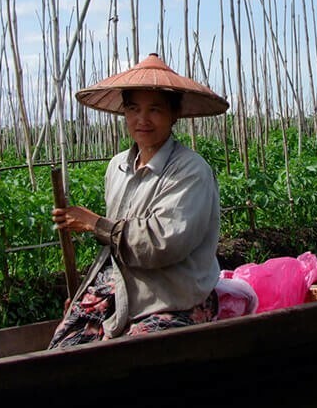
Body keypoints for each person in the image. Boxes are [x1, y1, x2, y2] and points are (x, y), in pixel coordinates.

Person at [48, 53, 229, 349]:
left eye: (155, 110)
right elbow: (116, 251)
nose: (141, 120)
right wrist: (85, 291)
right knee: (64, 347)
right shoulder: (117, 166)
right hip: (121, 290)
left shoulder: (191, 170)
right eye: (133, 109)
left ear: (174, 115)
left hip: (172, 298)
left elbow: (163, 243)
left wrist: (96, 224)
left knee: (131, 356)